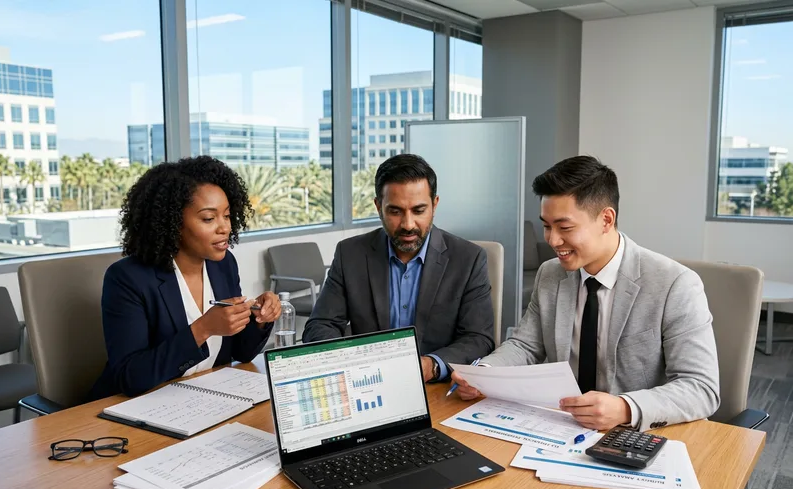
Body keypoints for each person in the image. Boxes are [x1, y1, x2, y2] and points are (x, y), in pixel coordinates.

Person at [451, 156, 720, 431]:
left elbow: (700, 388)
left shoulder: (675, 284)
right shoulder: (550, 274)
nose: (553, 240)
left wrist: (625, 408)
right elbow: (525, 346)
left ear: (606, 219)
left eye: (565, 227)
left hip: (633, 433)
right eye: (546, 226)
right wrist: (485, 374)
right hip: (560, 426)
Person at [88, 156, 281, 400]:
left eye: (227, 216)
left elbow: (241, 352)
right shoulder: (128, 278)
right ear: (172, 222)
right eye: (209, 219)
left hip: (205, 399)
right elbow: (131, 377)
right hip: (141, 407)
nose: (224, 228)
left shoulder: (223, 265)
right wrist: (203, 329)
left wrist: (260, 318)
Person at [303, 154, 495, 383]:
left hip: (437, 389)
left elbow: (479, 338)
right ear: (378, 206)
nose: (408, 224)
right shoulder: (350, 254)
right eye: (395, 211)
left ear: (434, 205)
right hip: (369, 384)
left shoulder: (468, 259)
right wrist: (351, 362)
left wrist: (431, 365)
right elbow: (320, 325)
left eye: (419, 210)